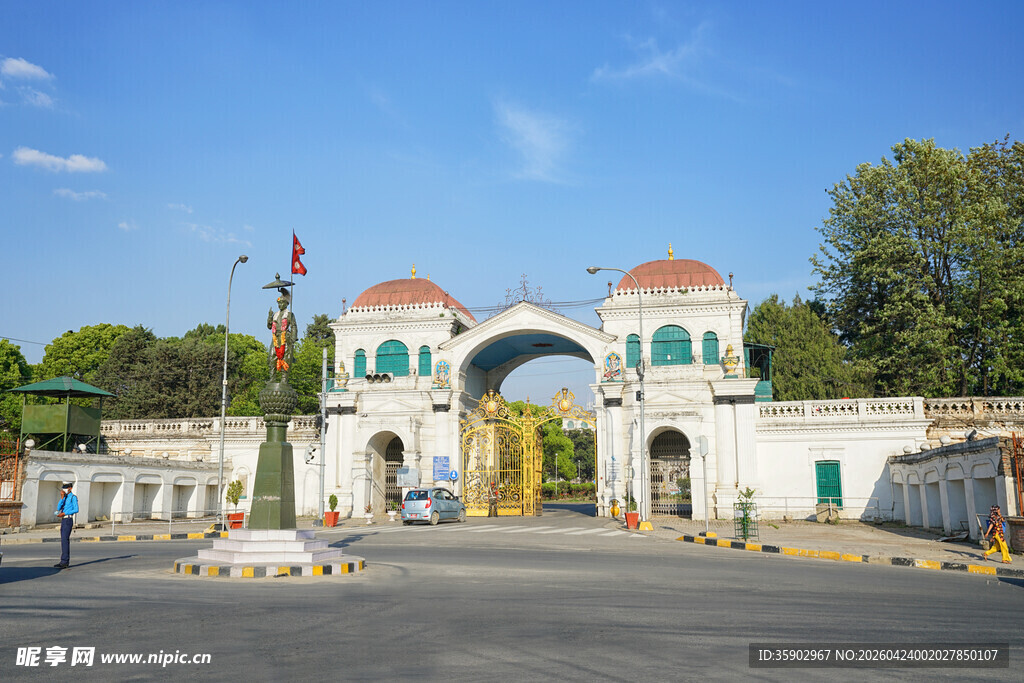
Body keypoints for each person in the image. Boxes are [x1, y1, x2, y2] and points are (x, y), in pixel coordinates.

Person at [54, 482, 78, 569]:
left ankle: (64, 561)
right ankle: (64, 560)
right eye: (63, 487)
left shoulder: (73, 497)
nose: (64, 489)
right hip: (63, 519)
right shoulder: (65, 497)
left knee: (65, 540)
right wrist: (62, 498)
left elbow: (76, 509)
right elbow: (58, 507)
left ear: (70, 488)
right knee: (63, 540)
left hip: (68, 519)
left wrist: (65, 513)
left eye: (66, 487)